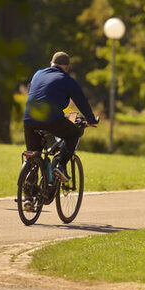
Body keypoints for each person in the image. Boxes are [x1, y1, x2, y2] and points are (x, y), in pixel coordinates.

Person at [23, 52, 98, 193]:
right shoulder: (67, 79)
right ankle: (60, 164)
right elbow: (81, 101)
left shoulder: (38, 74)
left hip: (29, 119)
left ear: (51, 63)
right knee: (75, 132)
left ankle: (28, 197)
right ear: (67, 67)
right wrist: (91, 120)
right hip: (51, 119)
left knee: (34, 156)